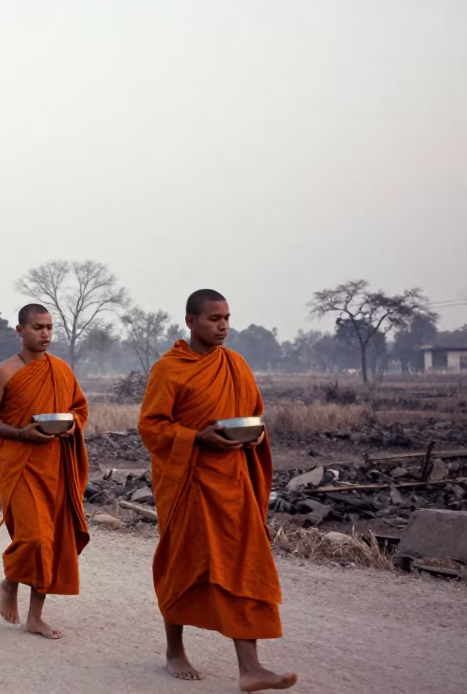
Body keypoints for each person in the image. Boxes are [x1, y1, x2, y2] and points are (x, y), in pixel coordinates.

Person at [138, 290, 297, 692]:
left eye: (226, 317)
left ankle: (251, 667)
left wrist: (252, 436)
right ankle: (175, 650)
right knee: (184, 564)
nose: (223, 325)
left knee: (244, 568)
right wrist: (197, 438)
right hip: (188, 483)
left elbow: (253, 415)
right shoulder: (169, 370)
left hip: (234, 483)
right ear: (190, 322)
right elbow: (152, 427)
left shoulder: (237, 365)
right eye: (213, 318)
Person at [0, 304, 89, 640]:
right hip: (22, 463)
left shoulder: (62, 370)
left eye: (49, 328)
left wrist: (72, 427)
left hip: (56, 464)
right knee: (34, 538)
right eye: (38, 328)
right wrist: (23, 433)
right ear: (20, 331)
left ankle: (35, 617)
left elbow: (78, 410)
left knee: (50, 541)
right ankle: (10, 580)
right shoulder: (6, 372)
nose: (45, 335)